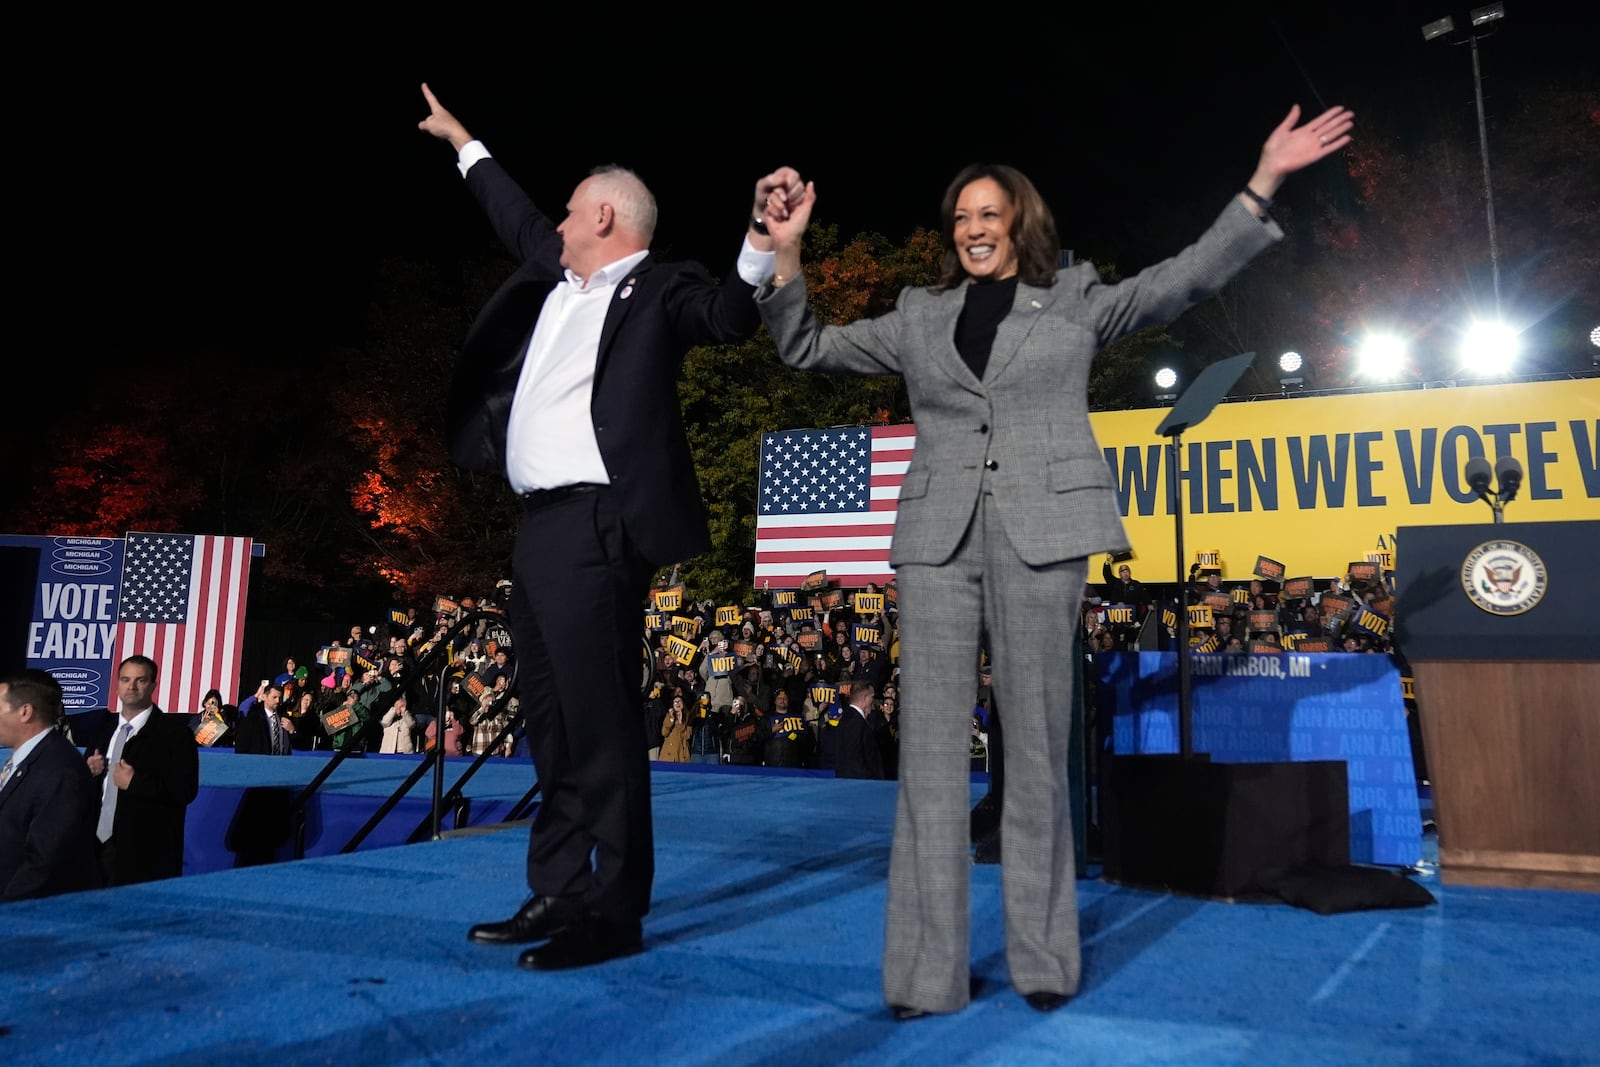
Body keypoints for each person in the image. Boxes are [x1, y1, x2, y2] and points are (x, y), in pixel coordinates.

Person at [756, 103, 1353, 1017]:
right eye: (960, 218)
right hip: (936, 542)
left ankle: (1042, 960)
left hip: (1045, 532)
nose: (972, 230)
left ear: (1020, 223)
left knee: (1036, 751)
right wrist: (786, 251)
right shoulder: (919, 314)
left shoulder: (1076, 297)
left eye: (988, 215)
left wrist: (1262, 180)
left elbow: (1181, 282)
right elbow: (804, 347)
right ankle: (925, 974)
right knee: (928, 760)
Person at [418, 83, 799, 971]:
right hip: (538, 526)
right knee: (549, 720)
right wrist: (463, 139)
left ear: (601, 214)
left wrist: (756, 241)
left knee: (601, 723)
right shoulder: (555, 274)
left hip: (598, 523)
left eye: (566, 209)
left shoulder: (662, 289)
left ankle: (615, 910)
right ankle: (559, 885)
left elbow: (730, 317)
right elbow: (510, 209)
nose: (550, 222)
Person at [84, 655, 201, 886]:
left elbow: (185, 791)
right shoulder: (104, 730)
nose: (131, 686)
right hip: (95, 850)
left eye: (140, 680)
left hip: (145, 855)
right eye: (125, 679)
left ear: (153, 686)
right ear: (117, 684)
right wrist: (86, 773)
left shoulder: (175, 735)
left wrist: (135, 782)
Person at [0, 670, 102, 901]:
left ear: (25, 712)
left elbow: (45, 860)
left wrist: (7, 908)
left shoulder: (60, 770)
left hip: (31, 916)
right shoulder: (27, 760)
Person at [833, 682, 887, 780]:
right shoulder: (854, 722)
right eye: (872, 697)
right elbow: (854, 758)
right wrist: (869, 782)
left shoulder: (850, 717)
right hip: (860, 785)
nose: (873, 700)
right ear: (865, 699)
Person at [234, 681, 295, 756]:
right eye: (274, 697)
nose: (278, 701)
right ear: (264, 697)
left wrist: (292, 731)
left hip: (282, 764)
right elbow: (242, 746)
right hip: (260, 764)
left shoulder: (285, 717)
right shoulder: (253, 718)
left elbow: (295, 745)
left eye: (280, 697)